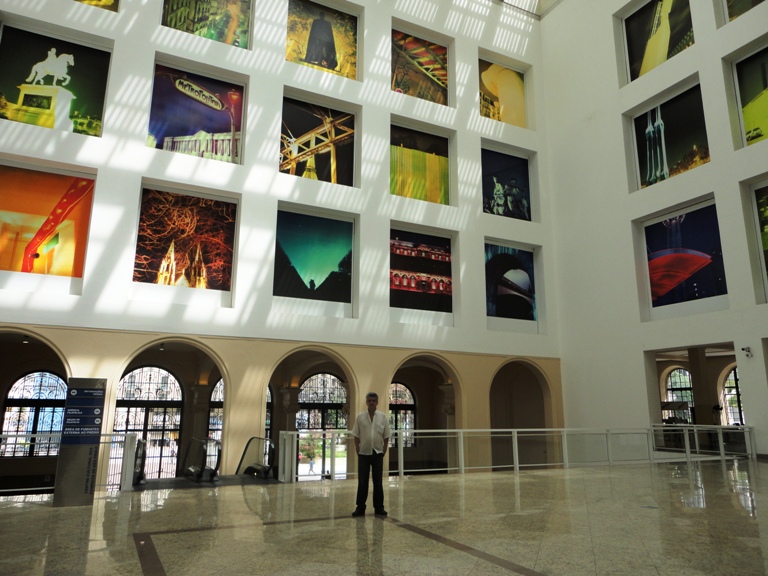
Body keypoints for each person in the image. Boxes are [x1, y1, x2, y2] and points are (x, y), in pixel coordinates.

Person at [351, 392, 390, 517]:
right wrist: (357, 448)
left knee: (378, 481)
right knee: (362, 482)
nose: (371, 402)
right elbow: (356, 435)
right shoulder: (360, 417)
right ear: (366, 402)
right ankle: (360, 507)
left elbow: (386, 436)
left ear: (377, 402)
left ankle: (379, 507)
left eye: (373, 400)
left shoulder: (383, 417)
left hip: (377, 453)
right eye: (369, 400)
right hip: (364, 453)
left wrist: (384, 450)